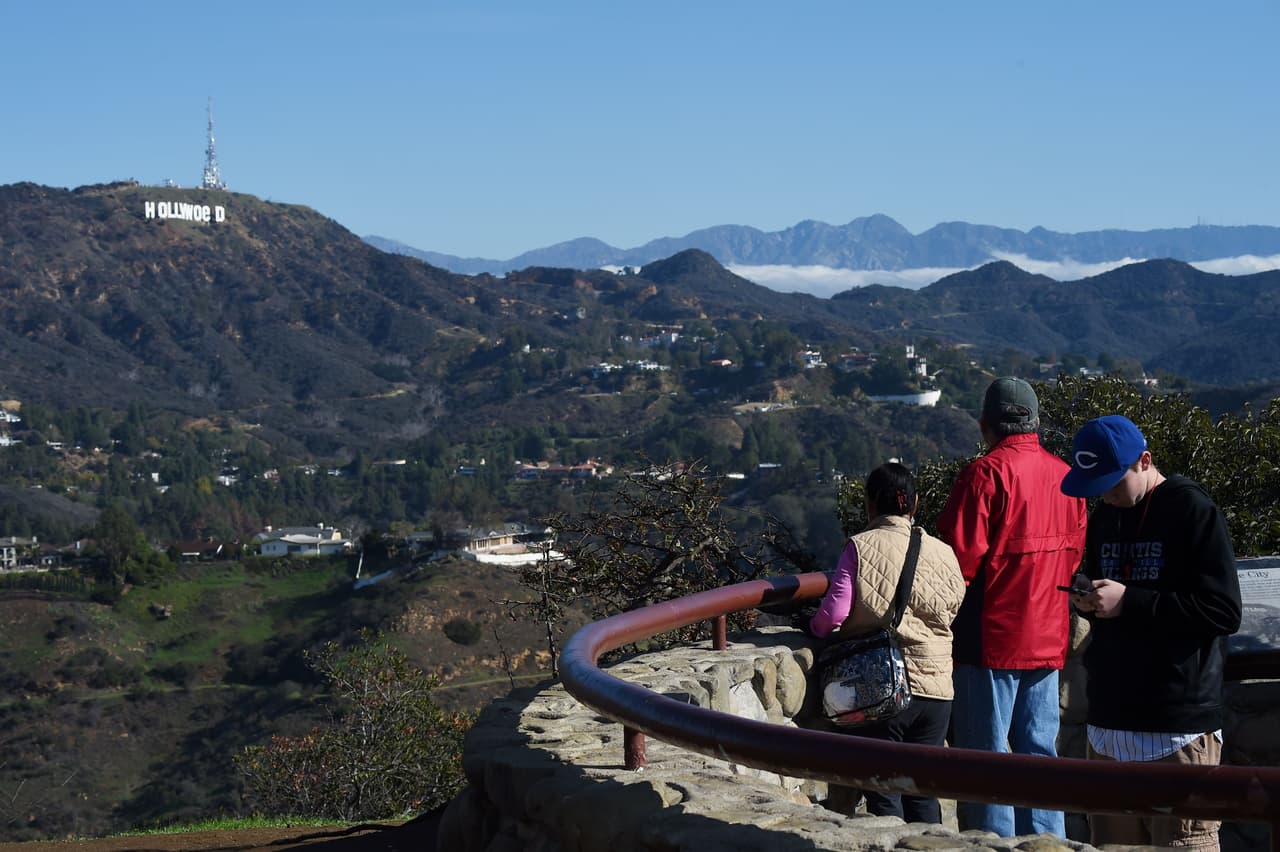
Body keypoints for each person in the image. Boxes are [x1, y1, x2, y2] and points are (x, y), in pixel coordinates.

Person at [1060, 414, 1241, 851]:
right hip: (1108, 731)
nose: (1106, 494)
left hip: (1176, 731)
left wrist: (1130, 602)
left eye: (1112, 481)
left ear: (1145, 461)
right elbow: (1114, 590)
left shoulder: (1191, 509)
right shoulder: (1106, 515)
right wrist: (1089, 594)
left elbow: (1223, 610)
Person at [935, 377, 1087, 837]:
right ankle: (1049, 844)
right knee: (1040, 754)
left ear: (986, 425)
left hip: (991, 640)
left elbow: (955, 564)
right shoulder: (1068, 478)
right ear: (1037, 423)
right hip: (1049, 636)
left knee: (987, 759)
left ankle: (994, 847)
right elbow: (1075, 556)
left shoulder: (984, 476)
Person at [809, 461, 965, 823]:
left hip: (882, 688)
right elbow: (954, 605)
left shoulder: (861, 547)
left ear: (870, 504)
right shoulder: (945, 553)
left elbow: (832, 615)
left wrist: (814, 630)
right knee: (924, 793)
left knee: (884, 798)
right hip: (937, 689)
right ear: (914, 505)